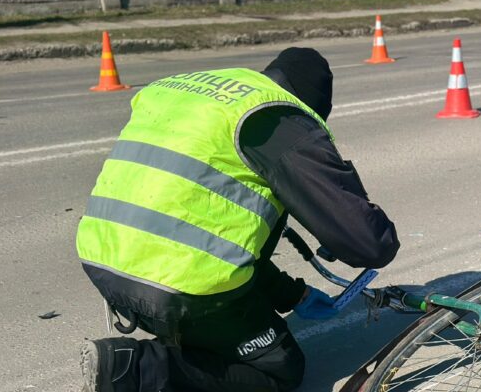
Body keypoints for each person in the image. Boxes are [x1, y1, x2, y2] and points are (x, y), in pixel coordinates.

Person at [75, 47, 399, 392]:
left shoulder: (212, 97)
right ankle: (134, 366)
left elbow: (219, 233)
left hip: (102, 259)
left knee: (229, 316)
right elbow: (366, 243)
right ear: (312, 108)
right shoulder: (280, 119)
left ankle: (184, 340)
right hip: (177, 287)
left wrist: (294, 295)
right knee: (281, 368)